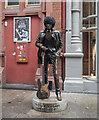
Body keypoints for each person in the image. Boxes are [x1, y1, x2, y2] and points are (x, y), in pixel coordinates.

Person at [35, 16, 63, 101]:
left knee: (56, 73)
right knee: (45, 73)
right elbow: (37, 43)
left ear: (52, 24)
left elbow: (61, 45)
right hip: (45, 54)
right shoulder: (42, 33)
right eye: (47, 24)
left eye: (50, 24)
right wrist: (43, 47)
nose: (48, 25)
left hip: (54, 54)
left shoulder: (57, 33)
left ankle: (58, 92)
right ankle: (45, 91)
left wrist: (57, 53)